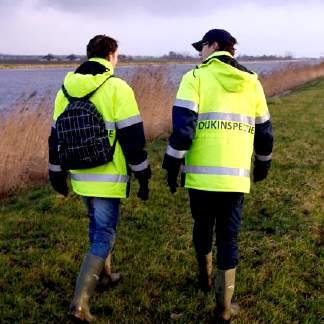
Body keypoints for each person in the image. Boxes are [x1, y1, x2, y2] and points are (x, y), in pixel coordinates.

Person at [162, 29, 273, 323]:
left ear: (213, 46)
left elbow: (183, 131)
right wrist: (263, 163)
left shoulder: (195, 78)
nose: (199, 52)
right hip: (235, 178)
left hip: (200, 178)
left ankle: (204, 279)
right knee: (229, 237)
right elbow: (264, 132)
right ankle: (224, 308)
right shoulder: (252, 83)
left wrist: (172, 165)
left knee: (202, 226)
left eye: (202, 47)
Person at [48, 34, 151, 322]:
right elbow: (133, 137)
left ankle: (104, 275)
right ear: (111, 55)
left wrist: (55, 171)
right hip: (108, 175)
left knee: (96, 225)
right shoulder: (117, 87)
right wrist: (143, 174)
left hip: (81, 174)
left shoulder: (64, 90)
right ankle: (79, 304)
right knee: (104, 233)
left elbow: (55, 137)